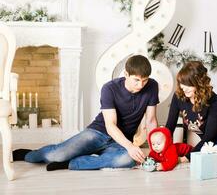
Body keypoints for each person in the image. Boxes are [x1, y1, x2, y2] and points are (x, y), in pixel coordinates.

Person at [13, 55, 159, 171]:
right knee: (56, 155)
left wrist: (156, 151)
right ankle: (29, 155)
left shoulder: (152, 86)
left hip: (119, 141)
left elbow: (151, 120)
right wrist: (130, 146)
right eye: (136, 80)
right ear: (126, 74)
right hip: (98, 132)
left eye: (144, 81)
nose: (141, 85)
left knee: (127, 160)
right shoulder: (109, 88)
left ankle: (72, 163)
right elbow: (110, 125)